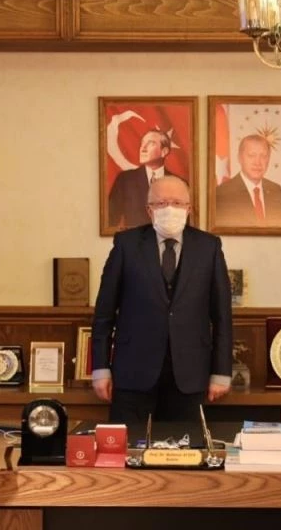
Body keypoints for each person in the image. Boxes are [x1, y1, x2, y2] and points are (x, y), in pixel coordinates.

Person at [92, 175, 234, 423]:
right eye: (161, 203)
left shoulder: (209, 247)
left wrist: (221, 372)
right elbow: (104, 313)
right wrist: (100, 369)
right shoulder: (126, 245)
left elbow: (222, 316)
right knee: (129, 445)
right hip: (133, 373)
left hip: (190, 375)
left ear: (189, 209)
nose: (170, 208)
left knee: (185, 446)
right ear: (149, 210)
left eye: (177, 203)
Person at [107, 129, 182, 228]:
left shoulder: (179, 184)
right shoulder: (125, 180)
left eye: (150, 143)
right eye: (142, 143)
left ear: (164, 151)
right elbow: (109, 222)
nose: (143, 148)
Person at [215, 134, 281, 227]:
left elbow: (279, 231)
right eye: (252, 155)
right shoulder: (223, 193)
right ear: (240, 158)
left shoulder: (275, 190)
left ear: (269, 159)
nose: (257, 162)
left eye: (263, 156)